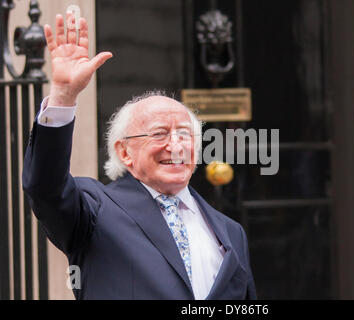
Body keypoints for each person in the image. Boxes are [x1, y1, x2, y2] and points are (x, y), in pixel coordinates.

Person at [22, 13, 256, 300]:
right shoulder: (94, 211)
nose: (176, 145)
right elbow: (45, 187)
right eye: (159, 134)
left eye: (184, 134)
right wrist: (63, 97)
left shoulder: (231, 232)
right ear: (124, 152)